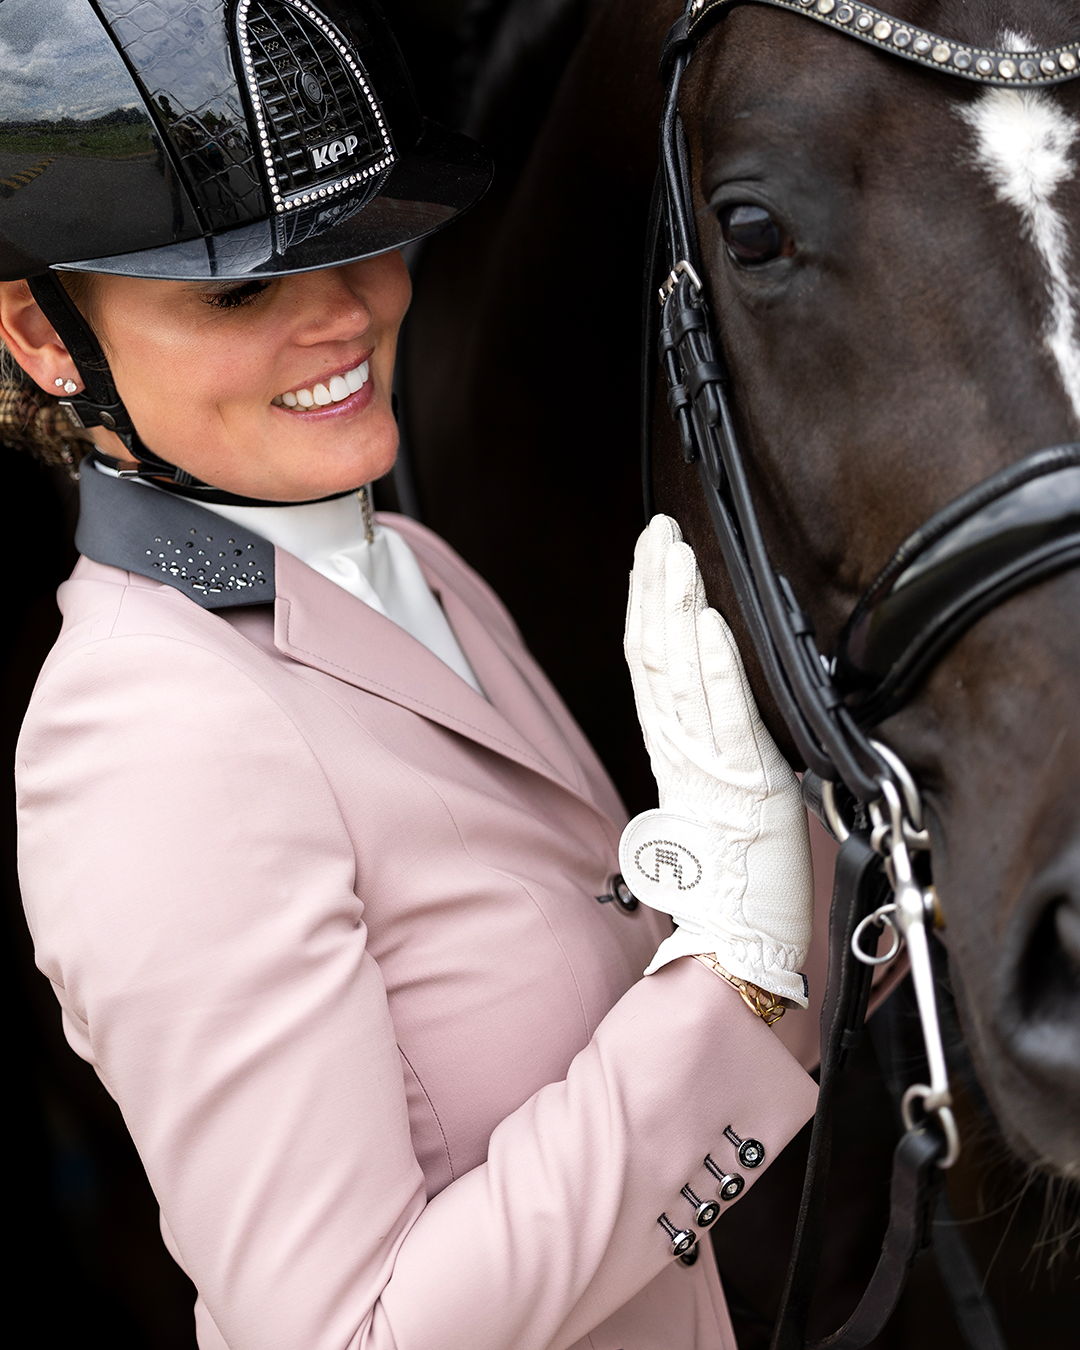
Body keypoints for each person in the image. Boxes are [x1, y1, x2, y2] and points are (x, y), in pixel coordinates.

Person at [6, 3, 818, 1348]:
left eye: (366, 239)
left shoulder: (417, 567)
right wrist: (735, 974)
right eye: (239, 289)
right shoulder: (147, 742)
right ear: (44, 335)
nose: (340, 314)